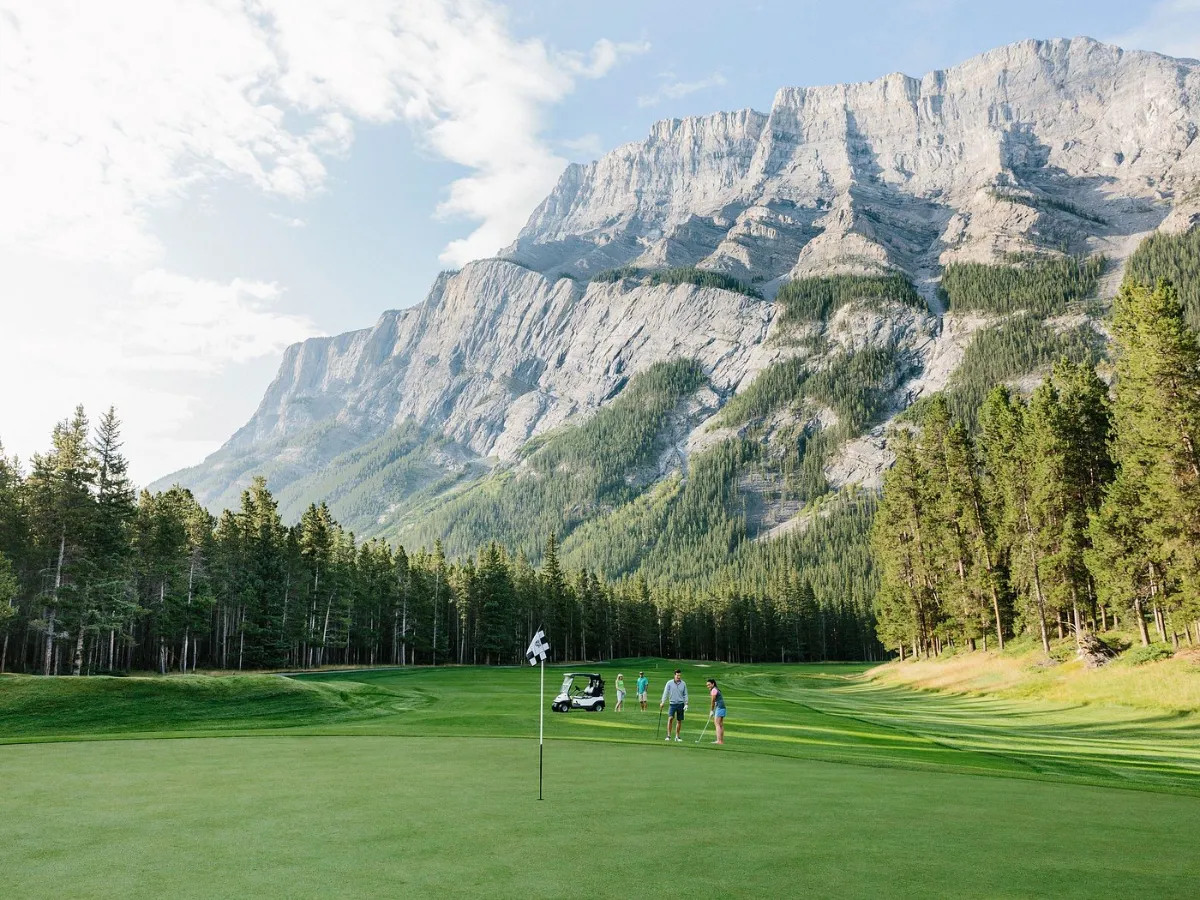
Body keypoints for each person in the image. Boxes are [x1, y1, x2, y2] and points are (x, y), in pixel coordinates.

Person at [659, 669, 688, 742]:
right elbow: (665, 693)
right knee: (670, 718)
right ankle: (668, 736)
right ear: (674, 675)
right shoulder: (669, 683)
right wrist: (662, 702)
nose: (679, 677)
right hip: (672, 703)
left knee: (679, 720)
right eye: (677, 675)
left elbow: (685, 694)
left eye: (679, 675)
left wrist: (686, 703)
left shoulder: (683, 683)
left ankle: (677, 736)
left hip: (681, 704)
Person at [706, 678, 727, 744]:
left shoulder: (714, 690)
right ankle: (721, 741)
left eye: (709, 684)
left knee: (717, 724)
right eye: (707, 685)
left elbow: (712, 701)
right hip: (722, 707)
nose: (708, 686)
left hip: (720, 708)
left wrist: (711, 711)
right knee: (720, 724)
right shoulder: (716, 689)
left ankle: (719, 741)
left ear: (713, 684)